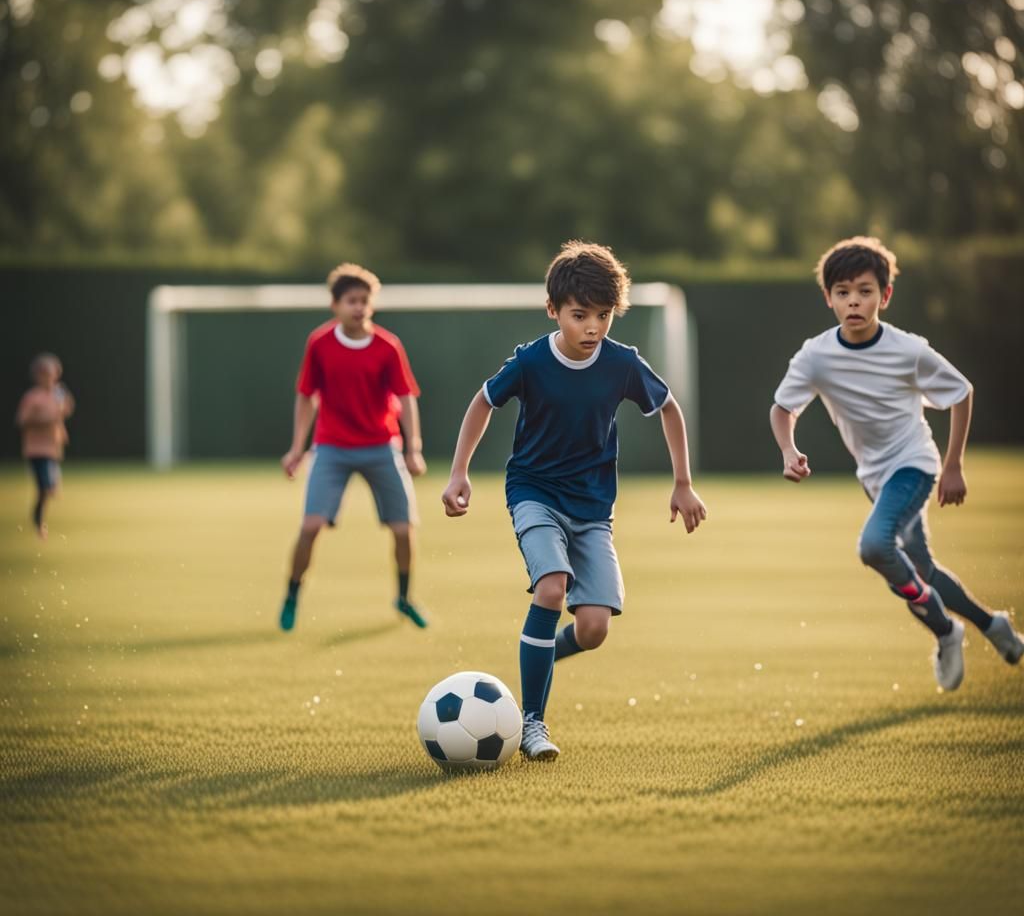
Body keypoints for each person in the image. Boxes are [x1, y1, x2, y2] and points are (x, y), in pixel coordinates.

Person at [441, 241, 706, 760]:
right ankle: (532, 723)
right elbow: (483, 401)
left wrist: (683, 482)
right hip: (534, 492)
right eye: (579, 315)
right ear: (553, 310)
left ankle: (536, 658)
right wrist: (458, 474)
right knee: (552, 587)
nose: (592, 328)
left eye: (603, 316)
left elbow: (669, 408)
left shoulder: (622, 363)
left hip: (593, 509)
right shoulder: (532, 361)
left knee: (593, 628)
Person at [769, 236, 1023, 691]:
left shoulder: (909, 350)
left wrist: (953, 466)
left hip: (914, 465)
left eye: (864, 291)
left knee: (874, 547)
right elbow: (783, 408)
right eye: (843, 292)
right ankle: (992, 625)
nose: (853, 301)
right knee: (920, 570)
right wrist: (788, 449)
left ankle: (944, 630)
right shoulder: (816, 355)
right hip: (875, 478)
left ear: (884, 296)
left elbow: (961, 392)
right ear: (828, 298)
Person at [279, 263, 428, 632]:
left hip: (381, 446)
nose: (359, 307)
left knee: (403, 529)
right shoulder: (320, 344)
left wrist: (413, 448)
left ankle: (404, 598)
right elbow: (306, 396)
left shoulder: (388, 346)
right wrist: (297, 448)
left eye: (365, 300)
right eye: (351, 301)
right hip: (332, 447)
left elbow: (405, 397)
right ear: (335, 305)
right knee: (310, 526)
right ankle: (292, 595)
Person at [16, 353, 75, 540]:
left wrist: (64, 404)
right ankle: (39, 521)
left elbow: (67, 409)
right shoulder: (32, 397)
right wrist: (44, 420)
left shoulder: (58, 393)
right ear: (38, 376)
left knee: (47, 488)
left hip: (53, 447)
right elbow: (22, 420)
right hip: (36, 449)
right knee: (45, 487)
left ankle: (39, 517)